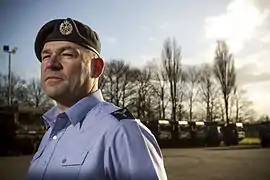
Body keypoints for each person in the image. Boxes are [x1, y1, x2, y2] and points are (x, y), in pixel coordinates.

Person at [26, 18, 168, 180]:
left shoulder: (121, 131)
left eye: (67, 54)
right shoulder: (50, 133)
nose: (51, 64)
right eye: (46, 56)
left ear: (97, 68)